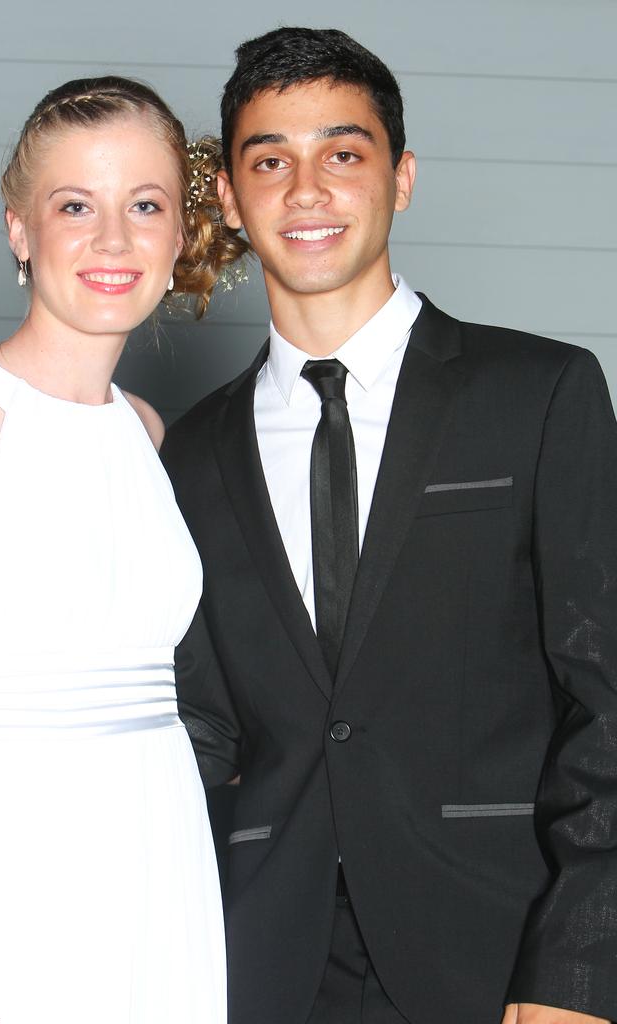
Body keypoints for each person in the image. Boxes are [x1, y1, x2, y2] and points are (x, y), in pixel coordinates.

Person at [158, 27, 617, 1024]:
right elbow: (193, 727)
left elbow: (608, 705)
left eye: (344, 153)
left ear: (401, 177)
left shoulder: (539, 394)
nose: (307, 188)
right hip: (257, 969)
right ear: (232, 199)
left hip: (495, 960)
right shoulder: (191, 454)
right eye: (269, 160)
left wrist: (574, 982)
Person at [0, 76, 245, 1023]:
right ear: (19, 230)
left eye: (144, 205)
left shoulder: (148, 433)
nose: (113, 241)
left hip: (160, 879)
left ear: (180, 234)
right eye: (75, 206)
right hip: (5, 884)